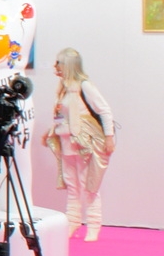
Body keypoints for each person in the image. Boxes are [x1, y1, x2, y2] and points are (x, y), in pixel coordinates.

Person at [42, 48, 115, 242]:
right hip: (66, 141)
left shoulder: (84, 86)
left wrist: (109, 137)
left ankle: (93, 225)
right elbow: (61, 115)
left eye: (59, 63)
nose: (56, 67)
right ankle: (73, 222)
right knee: (72, 185)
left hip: (83, 142)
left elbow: (104, 110)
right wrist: (51, 131)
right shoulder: (63, 88)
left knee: (88, 185)